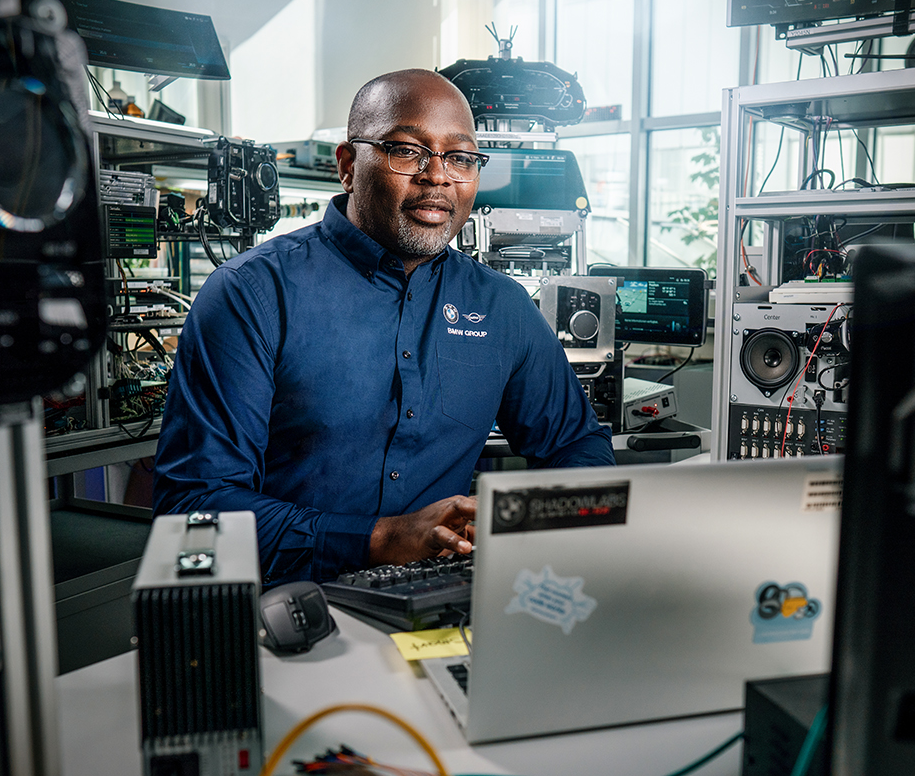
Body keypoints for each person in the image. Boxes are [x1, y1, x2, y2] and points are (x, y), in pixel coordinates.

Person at [153, 68, 614, 587]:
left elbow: (577, 445)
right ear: (348, 166)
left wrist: (524, 528)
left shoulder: (501, 305)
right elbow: (196, 506)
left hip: (448, 597)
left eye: (460, 158)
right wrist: (378, 538)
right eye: (407, 151)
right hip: (289, 606)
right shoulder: (251, 295)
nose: (437, 176)